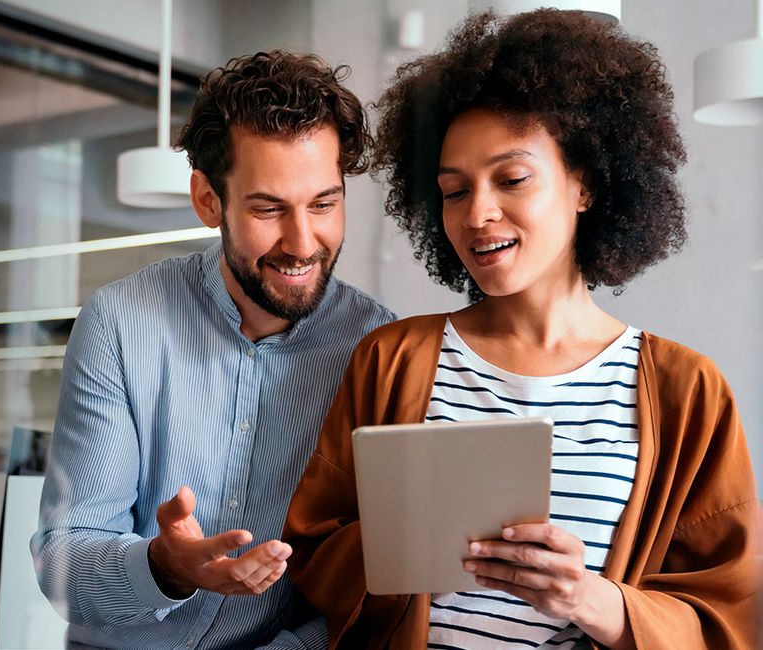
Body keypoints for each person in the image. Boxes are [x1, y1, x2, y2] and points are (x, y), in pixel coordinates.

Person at [283, 9, 760, 649]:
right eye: (453, 191)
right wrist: (409, 538)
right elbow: (313, 546)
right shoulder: (393, 357)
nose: (477, 213)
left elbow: (729, 617)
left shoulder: (688, 392)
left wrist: (589, 598)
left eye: (511, 178)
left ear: (584, 183)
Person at [31, 50, 395, 649]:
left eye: (324, 204)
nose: (303, 243)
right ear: (207, 201)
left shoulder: (377, 348)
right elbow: (61, 560)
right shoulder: (120, 323)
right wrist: (163, 567)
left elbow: (370, 586)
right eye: (268, 208)